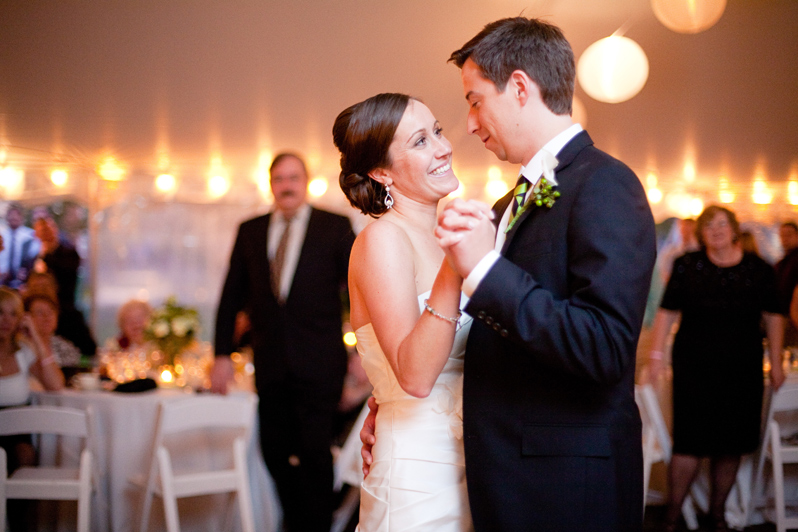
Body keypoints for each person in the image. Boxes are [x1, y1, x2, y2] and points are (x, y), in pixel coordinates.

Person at [360, 17, 656, 531]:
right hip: (497, 482)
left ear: (519, 87)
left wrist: (486, 270)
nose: (469, 126)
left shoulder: (604, 184)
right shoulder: (503, 207)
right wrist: (385, 402)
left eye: (474, 101)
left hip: (566, 488)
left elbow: (605, 346)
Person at [333, 93, 472, 531]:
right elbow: (412, 376)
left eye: (437, 131)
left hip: (470, 463)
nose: (442, 147)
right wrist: (456, 263)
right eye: (419, 141)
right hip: (418, 472)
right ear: (380, 172)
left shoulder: (438, 233)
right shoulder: (382, 241)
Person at [211, 152, 355, 532]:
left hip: (321, 363)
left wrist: (362, 350)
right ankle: (297, 520)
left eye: (293, 177)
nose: (286, 185)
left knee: (314, 453)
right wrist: (221, 354)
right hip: (271, 363)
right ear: (270, 184)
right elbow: (231, 295)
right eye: (279, 179)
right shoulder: (251, 230)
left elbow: (359, 293)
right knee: (273, 450)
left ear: (305, 181)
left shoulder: (335, 226)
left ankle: (316, 527)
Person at [647, 205, 784, 532]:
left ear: (734, 228)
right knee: (688, 443)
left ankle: (718, 516)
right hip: (694, 369)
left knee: (731, 444)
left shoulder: (760, 269)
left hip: (743, 369)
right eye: (708, 226)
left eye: (721, 224)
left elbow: (774, 316)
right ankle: (670, 518)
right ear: (700, 233)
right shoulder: (687, 265)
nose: (716, 230)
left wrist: (776, 361)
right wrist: (654, 356)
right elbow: (666, 314)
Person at [32, 216, 97, 357]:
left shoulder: (67, 253)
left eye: (47, 229)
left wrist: (48, 255)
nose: (45, 234)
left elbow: (68, 272)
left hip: (66, 311)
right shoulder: (37, 255)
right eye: (41, 231)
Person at [24, 291, 81, 368]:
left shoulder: (64, 346)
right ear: (27, 317)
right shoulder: (21, 347)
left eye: (50, 312)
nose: (46, 317)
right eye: (40, 313)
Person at [1, 203, 39, 289]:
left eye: (17, 214)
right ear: (7, 217)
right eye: (11, 215)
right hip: (3, 281)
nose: (14, 217)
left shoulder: (31, 236)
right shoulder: (2, 236)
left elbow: (34, 258)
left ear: (22, 217)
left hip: (23, 282)